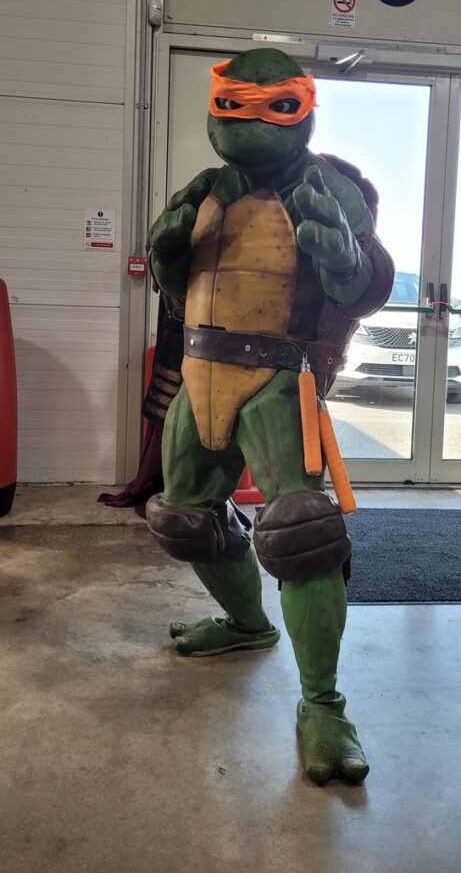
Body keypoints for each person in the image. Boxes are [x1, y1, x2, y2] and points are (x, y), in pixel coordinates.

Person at [146, 48, 394, 785]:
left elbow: (364, 282)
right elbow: (178, 283)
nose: (252, 120)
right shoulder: (206, 187)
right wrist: (165, 252)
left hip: (280, 378)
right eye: (234, 103)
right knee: (185, 519)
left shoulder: (329, 185)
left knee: (301, 534)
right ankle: (245, 625)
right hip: (200, 372)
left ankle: (323, 706)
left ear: (304, 107)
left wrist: (342, 256)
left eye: (278, 104)